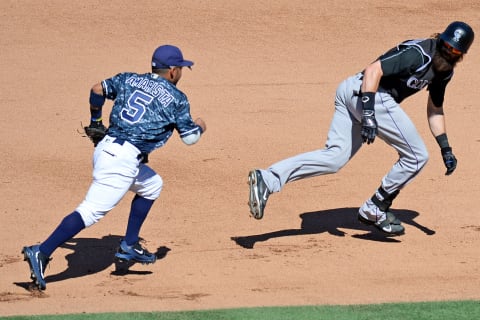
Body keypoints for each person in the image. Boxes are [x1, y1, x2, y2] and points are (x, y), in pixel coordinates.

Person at [248, 21, 474, 236]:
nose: (447, 51)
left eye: (453, 51)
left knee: (334, 158)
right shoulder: (419, 53)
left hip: (354, 93)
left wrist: (445, 148)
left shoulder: (444, 72)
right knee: (416, 156)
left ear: (461, 54)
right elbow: (373, 71)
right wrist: (368, 114)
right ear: (440, 39)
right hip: (370, 93)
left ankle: (268, 178)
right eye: (445, 45)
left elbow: (435, 110)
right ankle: (376, 207)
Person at [22, 44, 206, 290]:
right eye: (181, 68)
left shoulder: (129, 79)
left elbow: (97, 89)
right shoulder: (177, 99)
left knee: (152, 185)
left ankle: (130, 245)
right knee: (90, 212)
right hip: (121, 161)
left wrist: (95, 119)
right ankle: (41, 251)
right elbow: (190, 137)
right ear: (172, 71)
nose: (181, 73)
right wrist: (201, 125)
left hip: (107, 149)